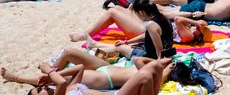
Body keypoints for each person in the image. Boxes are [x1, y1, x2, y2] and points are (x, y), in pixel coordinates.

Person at [2, 57, 172, 95]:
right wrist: (48, 70)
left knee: (154, 67)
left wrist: (52, 75)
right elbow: (59, 82)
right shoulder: (62, 92)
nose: (42, 88)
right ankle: (16, 78)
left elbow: (80, 67)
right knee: (144, 75)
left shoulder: (70, 88)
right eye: (39, 92)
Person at [70, 5, 211, 46]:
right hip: (149, 25)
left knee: (112, 12)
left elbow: (178, 19)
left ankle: (85, 34)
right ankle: (89, 31)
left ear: (199, 35)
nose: (196, 27)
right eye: (198, 26)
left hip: (146, 31)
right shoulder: (189, 30)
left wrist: (194, 21)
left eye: (199, 29)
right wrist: (195, 19)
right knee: (119, 8)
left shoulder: (188, 37)